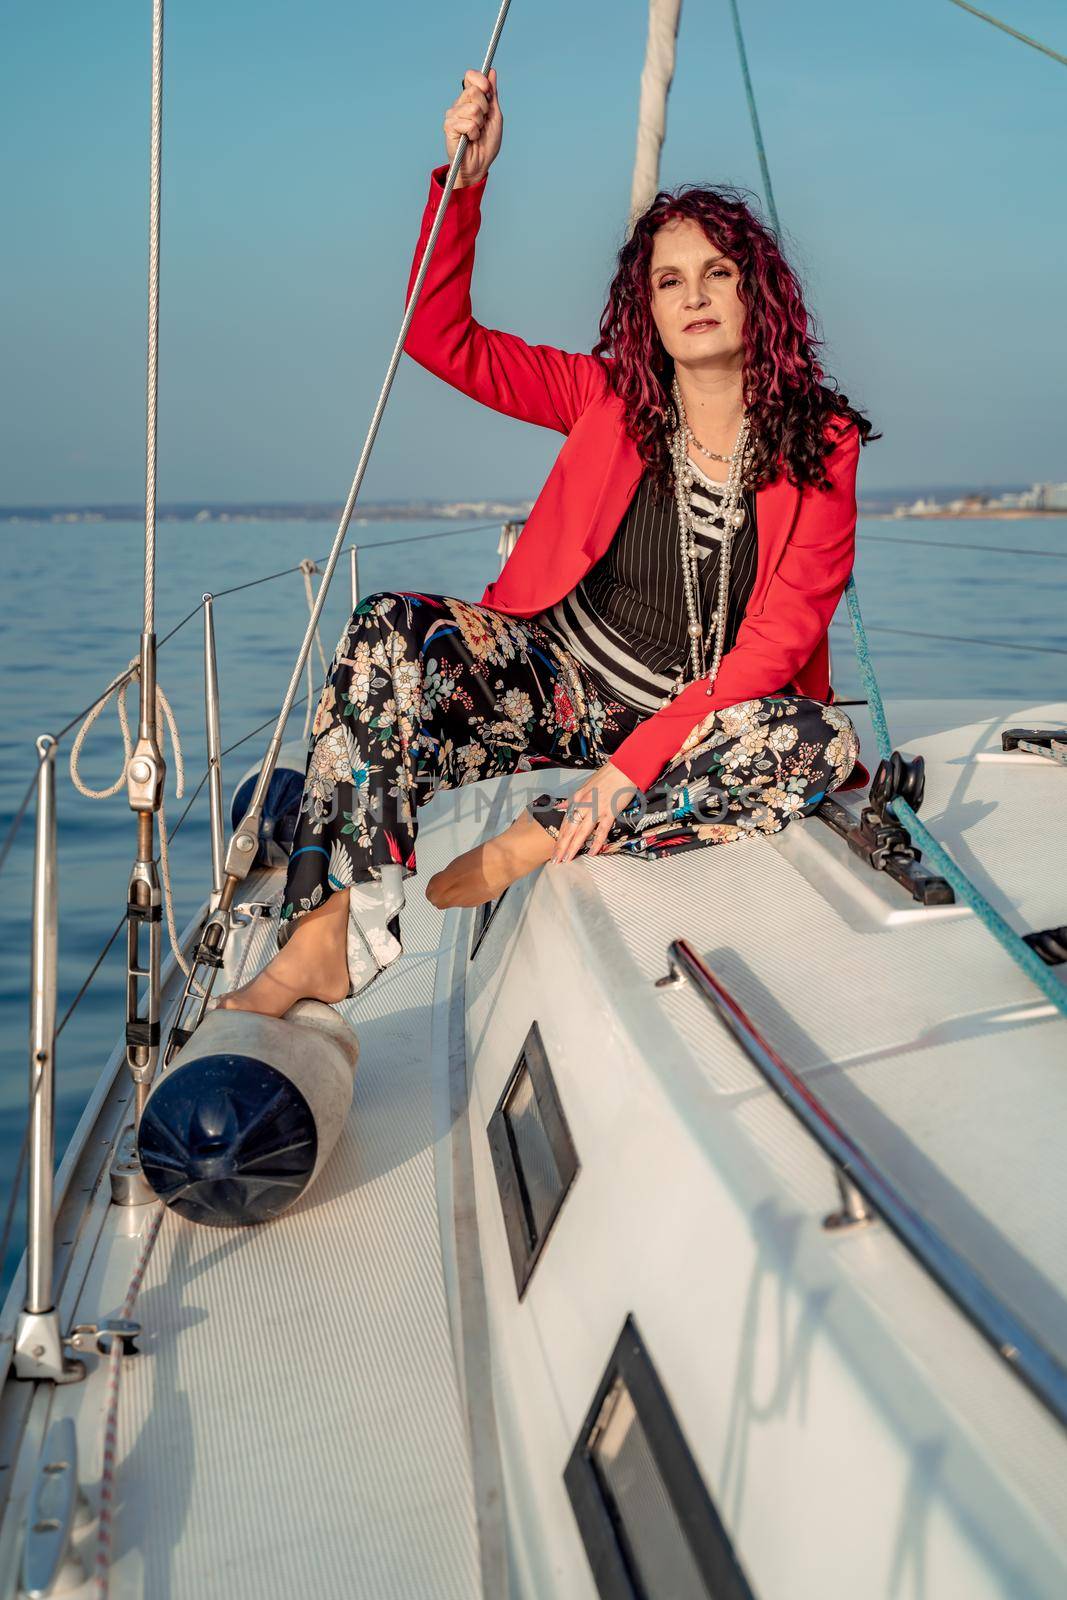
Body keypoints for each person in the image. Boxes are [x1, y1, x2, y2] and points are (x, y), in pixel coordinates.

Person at [220, 66, 877, 1018]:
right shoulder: (604, 396)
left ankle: (556, 830)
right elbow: (441, 339)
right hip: (560, 681)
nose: (693, 295)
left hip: (699, 719)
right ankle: (327, 934)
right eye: (668, 280)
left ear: (755, 292)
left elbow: (780, 639)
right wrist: (464, 186)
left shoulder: (820, 441)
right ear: (643, 309)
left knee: (817, 744)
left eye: (717, 273)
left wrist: (628, 768)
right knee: (387, 631)